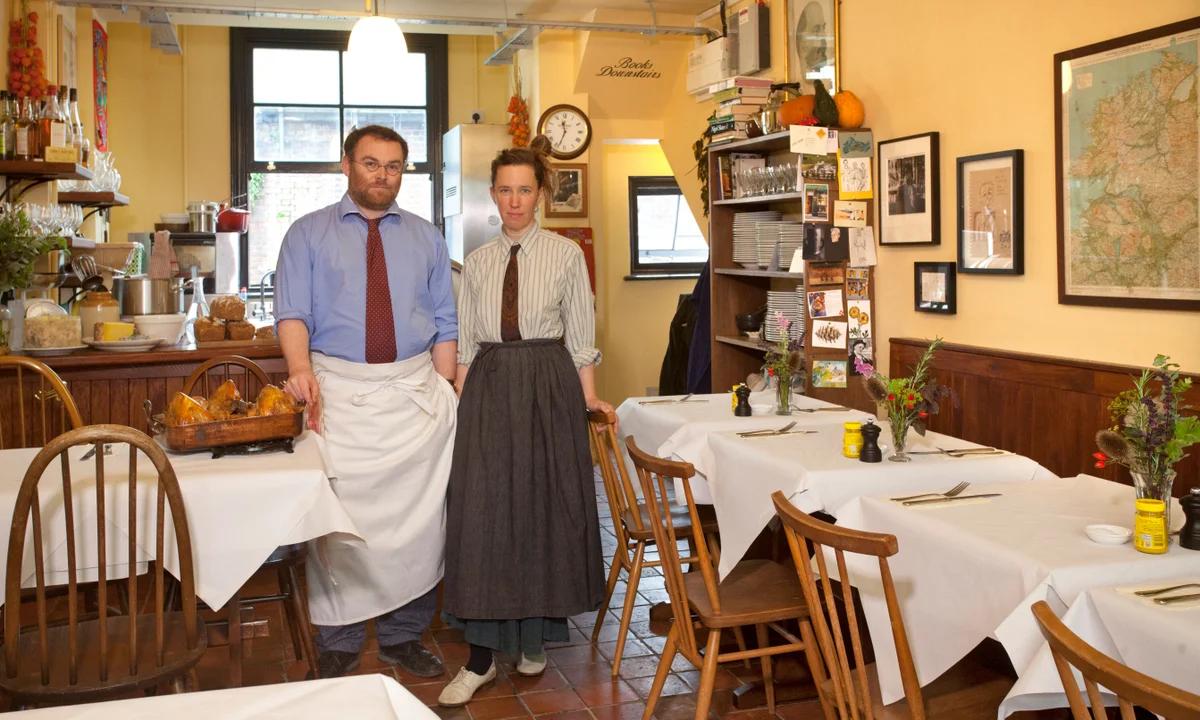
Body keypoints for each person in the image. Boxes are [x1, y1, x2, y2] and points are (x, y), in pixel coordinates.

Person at [274, 125, 458, 680]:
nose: (382, 175)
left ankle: (405, 635)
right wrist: (301, 371)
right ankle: (339, 638)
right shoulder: (306, 235)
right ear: (346, 165)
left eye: (394, 165)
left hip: (413, 396)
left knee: (419, 528)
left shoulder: (428, 238)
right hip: (339, 395)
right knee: (341, 526)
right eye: (371, 163)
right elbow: (292, 314)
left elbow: (446, 320)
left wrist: (446, 389)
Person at [438, 141, 609, 707]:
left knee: (540, 510)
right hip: (488, 388)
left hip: (547, 387)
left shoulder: (565, 255)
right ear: (493, 195)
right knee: (482, 511)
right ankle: (481, 658)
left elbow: (582, 340)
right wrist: (457, 401)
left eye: (525, 189)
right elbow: (464, 344)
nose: (515, 200)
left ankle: (535, 638)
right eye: (505, 189)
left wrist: (592, 402)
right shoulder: (479, 261)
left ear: (541, 195)